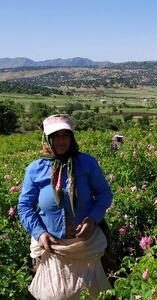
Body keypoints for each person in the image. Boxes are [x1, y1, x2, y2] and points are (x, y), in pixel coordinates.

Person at [18, 114, 112, 299]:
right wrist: (39, 233)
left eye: (65, 135)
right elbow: (25, 206)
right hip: (52, 246)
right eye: (56, 136)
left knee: (93, 292)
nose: (61, 141)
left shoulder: (86, 163)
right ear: (47, 139)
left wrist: (92, 219)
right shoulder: (35, 169)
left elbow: (104, 194)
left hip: (86, 243)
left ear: (72, 137)